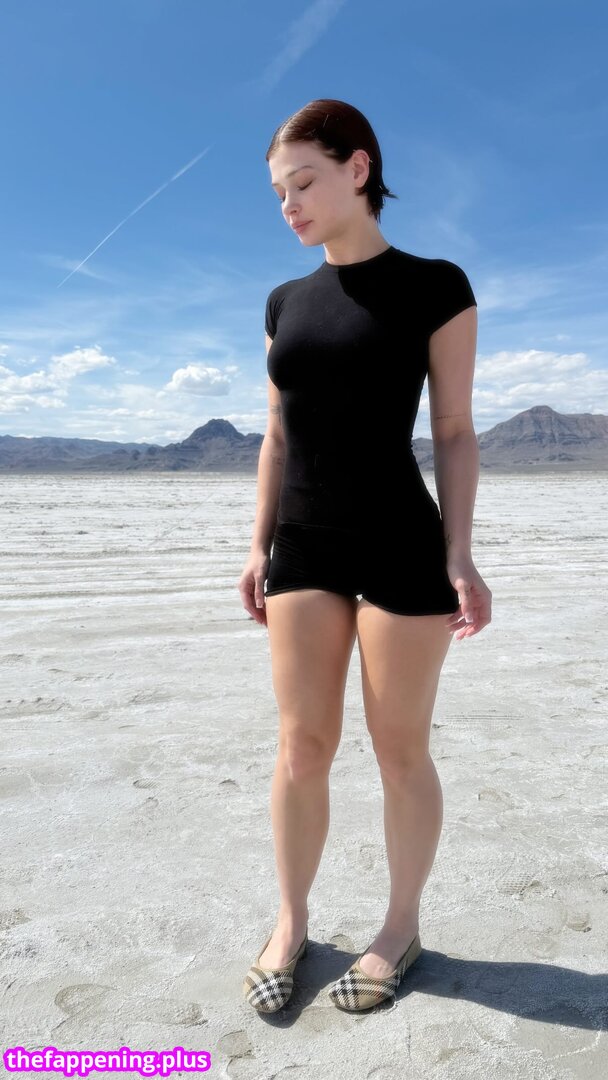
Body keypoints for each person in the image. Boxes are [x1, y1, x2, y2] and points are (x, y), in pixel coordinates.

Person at [238, 99, 492, 1014]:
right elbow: (276, 433)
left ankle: (400, 928)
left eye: (304, 182)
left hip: (399, 541)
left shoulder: (436, 285)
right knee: (302, 745)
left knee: (399, 750)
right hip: (304, 543)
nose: (290, 206)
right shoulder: (284, 303)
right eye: (279, 193)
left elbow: (454, 430)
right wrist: (258, 542)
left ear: (358, 168)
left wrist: (460, 553)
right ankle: (291, 922)